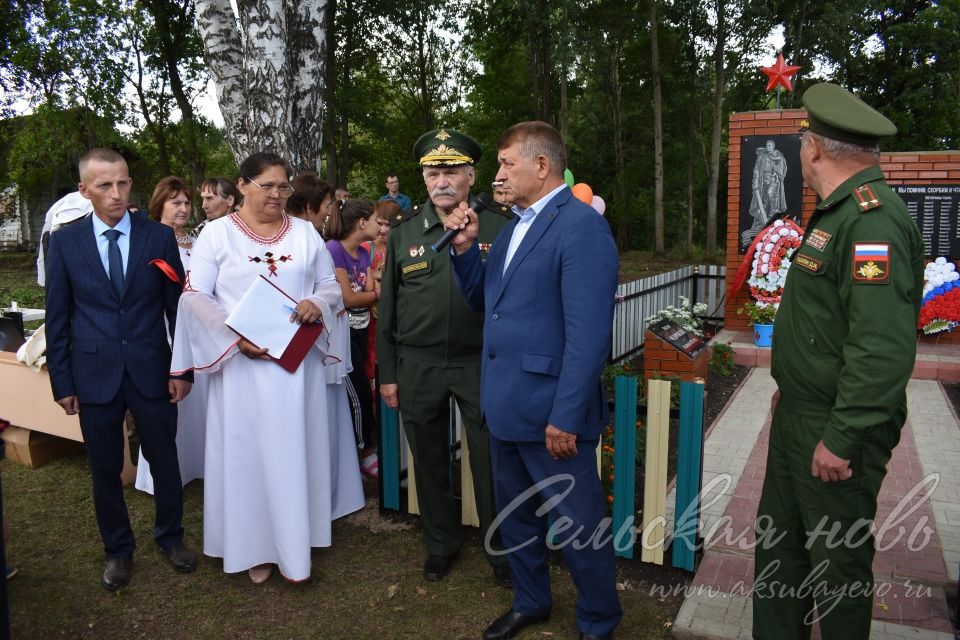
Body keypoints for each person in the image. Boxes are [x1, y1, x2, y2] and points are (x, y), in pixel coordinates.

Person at [752, 83, 924, 639]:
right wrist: (795, 385)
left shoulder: (871, 221)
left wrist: (844, 433)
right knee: (781, 550)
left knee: (837, 567)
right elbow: (827, 324)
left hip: (833, 428)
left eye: (804, 139)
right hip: (803, 413)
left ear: (817, 150)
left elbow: (879, 346)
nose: (801, 149)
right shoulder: (836, 213)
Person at [444, 121, 622, 640]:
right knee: (516, 519)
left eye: (505, 163)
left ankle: (598, 621)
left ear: (541, 166)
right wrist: (462, 250)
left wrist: (566, 415)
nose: (497, 174)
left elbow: (588, 337)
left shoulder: (581, 226)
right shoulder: (512, 226)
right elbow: (487, 305)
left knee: (579, 526)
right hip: (505, 406)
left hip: (551, 413)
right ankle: (531, 600)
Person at [170, 152, 365, 584]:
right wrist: (235, 336)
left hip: (296, 369)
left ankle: (298, 539)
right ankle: (253, 546)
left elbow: (329, 285)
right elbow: (196, 294)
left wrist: (319, 302)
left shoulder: (304, 234)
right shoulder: (217, 235)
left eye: (284, 187)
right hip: (243, 369)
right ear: (242, 185)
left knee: (294, 450)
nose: (278, 194)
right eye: (268, 186)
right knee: (248, 456)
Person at [44, 148, 197, 591]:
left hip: (152, 368)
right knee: (105, 467)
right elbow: (58, 315)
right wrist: (63, 381)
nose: (116, 193)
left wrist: (181, 370)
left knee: (165, 459)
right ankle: (118, 549)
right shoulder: (66, 242)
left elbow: (176, 311)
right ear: (84, 190)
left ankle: (170, 537)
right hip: (94, 374)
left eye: (123, 183)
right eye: (104, 185)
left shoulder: (157, 238)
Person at [378, 127, 514, 586]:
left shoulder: (502, 227)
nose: (442, 180)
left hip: (481, 364)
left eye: (452, 170)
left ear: (471, 175)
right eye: (434, 171)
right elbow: (389, 311)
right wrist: (389, 374)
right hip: (418, 366)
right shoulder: (403, 234)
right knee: (430, 461)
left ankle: (501, 552)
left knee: (491, 461)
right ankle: (440, 544)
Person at [135, 177, 206, 494]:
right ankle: (164, 472)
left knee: (199, 397)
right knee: (166, 401)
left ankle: (198, 464)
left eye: (186, 202)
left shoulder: (198, 242)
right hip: (162, 327)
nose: (183, 208)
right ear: (159, 204)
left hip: (198, 326)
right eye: (175, 202)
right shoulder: (148, 242)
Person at [326, 198, 382, 477]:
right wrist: (372, 295)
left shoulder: (363, 251)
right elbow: (347, 298)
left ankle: (360, 448)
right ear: (362, 223)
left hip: (361, 330)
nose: (379, 226)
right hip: (341, 336)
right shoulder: (333, 249)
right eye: (375, 220)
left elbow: (366, 290)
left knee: (363, 387)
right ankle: (364, 450)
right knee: (358, 392)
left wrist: (368, 295)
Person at [363, 200, 397, 382]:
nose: (383, 230)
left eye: (389, 225)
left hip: (395, 316)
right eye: (380, 223)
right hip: (369, 317)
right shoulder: (365, 248)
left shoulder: (400, 248)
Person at [742, 140, 788, 249]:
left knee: (770, 195)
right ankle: (762, 221)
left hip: (773, 181)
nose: (768, 147)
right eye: (767, 145)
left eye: (770, 145)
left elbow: (782, 170)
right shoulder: (761, 157)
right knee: (763, 201)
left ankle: (773, 217)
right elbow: (756, 170)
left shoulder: (778, 157)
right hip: (763, 182)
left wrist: (776, 165)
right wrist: (755, 183)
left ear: (773, 146)